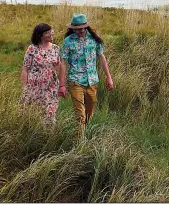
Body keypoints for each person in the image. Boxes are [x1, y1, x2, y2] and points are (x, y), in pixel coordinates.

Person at [59, 13, 114, 141]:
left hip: (92, 81)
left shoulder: (94, 39)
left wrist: (109, 77)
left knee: (89, 113)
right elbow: (63, 62)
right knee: (80, 115)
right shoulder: (68, 41)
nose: (79, 31)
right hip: (75, 81)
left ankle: (82, 132)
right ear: (72, 28)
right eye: (76, 29)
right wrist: (62, 85)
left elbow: (102, 58)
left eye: (81, 29)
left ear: (86, 27)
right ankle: (80, 143)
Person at [20, 23, 64, 125]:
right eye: (47, 32)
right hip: (34, 86)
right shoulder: (32, 49)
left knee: (50, 112)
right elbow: (25, 69)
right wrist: (24, 87)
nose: (51, 34)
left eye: (51, 31)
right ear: (40, 35)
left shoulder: (56, 48)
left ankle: (49, 136)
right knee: (33, 112)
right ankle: (34, 134)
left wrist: (62, 84)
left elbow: (59, 68)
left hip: (51, 86)